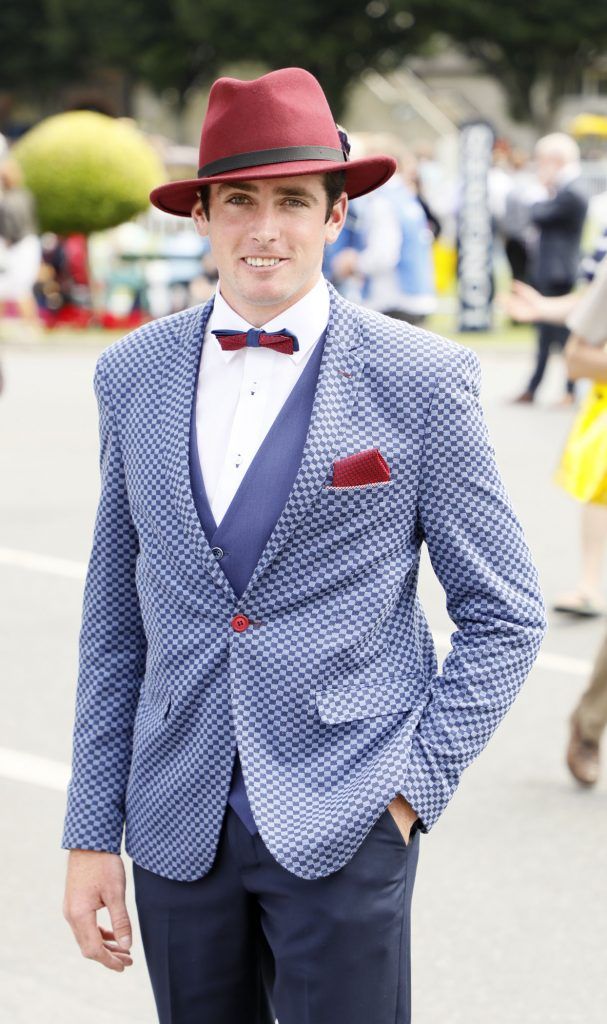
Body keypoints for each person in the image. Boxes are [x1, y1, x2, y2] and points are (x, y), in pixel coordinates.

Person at [61, 67, 546, 1024]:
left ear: (336, 217)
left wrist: (408, 794)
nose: (265, 229)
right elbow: (116, 621)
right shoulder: (131, 375)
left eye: (293, 201)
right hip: (174, 823)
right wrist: (89, 834)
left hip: (347, 817)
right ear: (202, 215)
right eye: (238, 201)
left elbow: (507, 613)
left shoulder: (420, 378)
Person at [513, 133, 587, 406]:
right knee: (547, 336)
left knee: (561, 334)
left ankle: (565, 388)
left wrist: (540, 192)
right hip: (552, 269)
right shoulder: (567, 190)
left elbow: (538, 214)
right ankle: (539, 387)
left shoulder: (572, 191)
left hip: (559, 271)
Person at [332, 134, 436, 325]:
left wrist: (353, 263)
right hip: (416, 296)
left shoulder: (382, 202)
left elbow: (383, 256)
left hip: (394, 301)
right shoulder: (403, 195)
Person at [0, 157, 41, 329]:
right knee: (6, 287)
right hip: (20, 245)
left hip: (20, 245)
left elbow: (13, 225)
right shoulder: (23, 195)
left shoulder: (13, 198)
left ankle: (31, 325)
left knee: (21, 288)